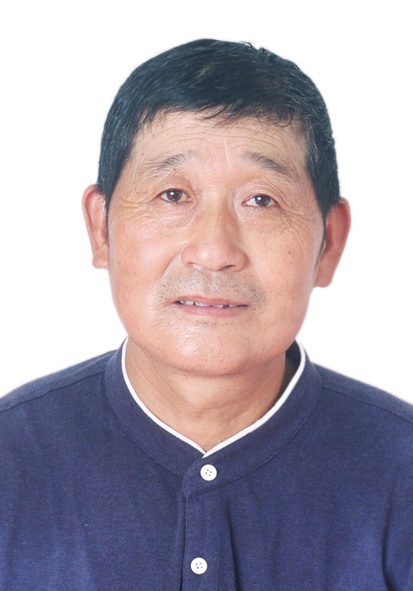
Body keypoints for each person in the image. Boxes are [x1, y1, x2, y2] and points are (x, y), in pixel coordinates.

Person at [1, 39, 412, 590]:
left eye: (262, 200)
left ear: (329, 243)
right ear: (101, 228)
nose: (214, 250)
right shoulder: (11, 459)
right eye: (173, 194)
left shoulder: (402, 469)